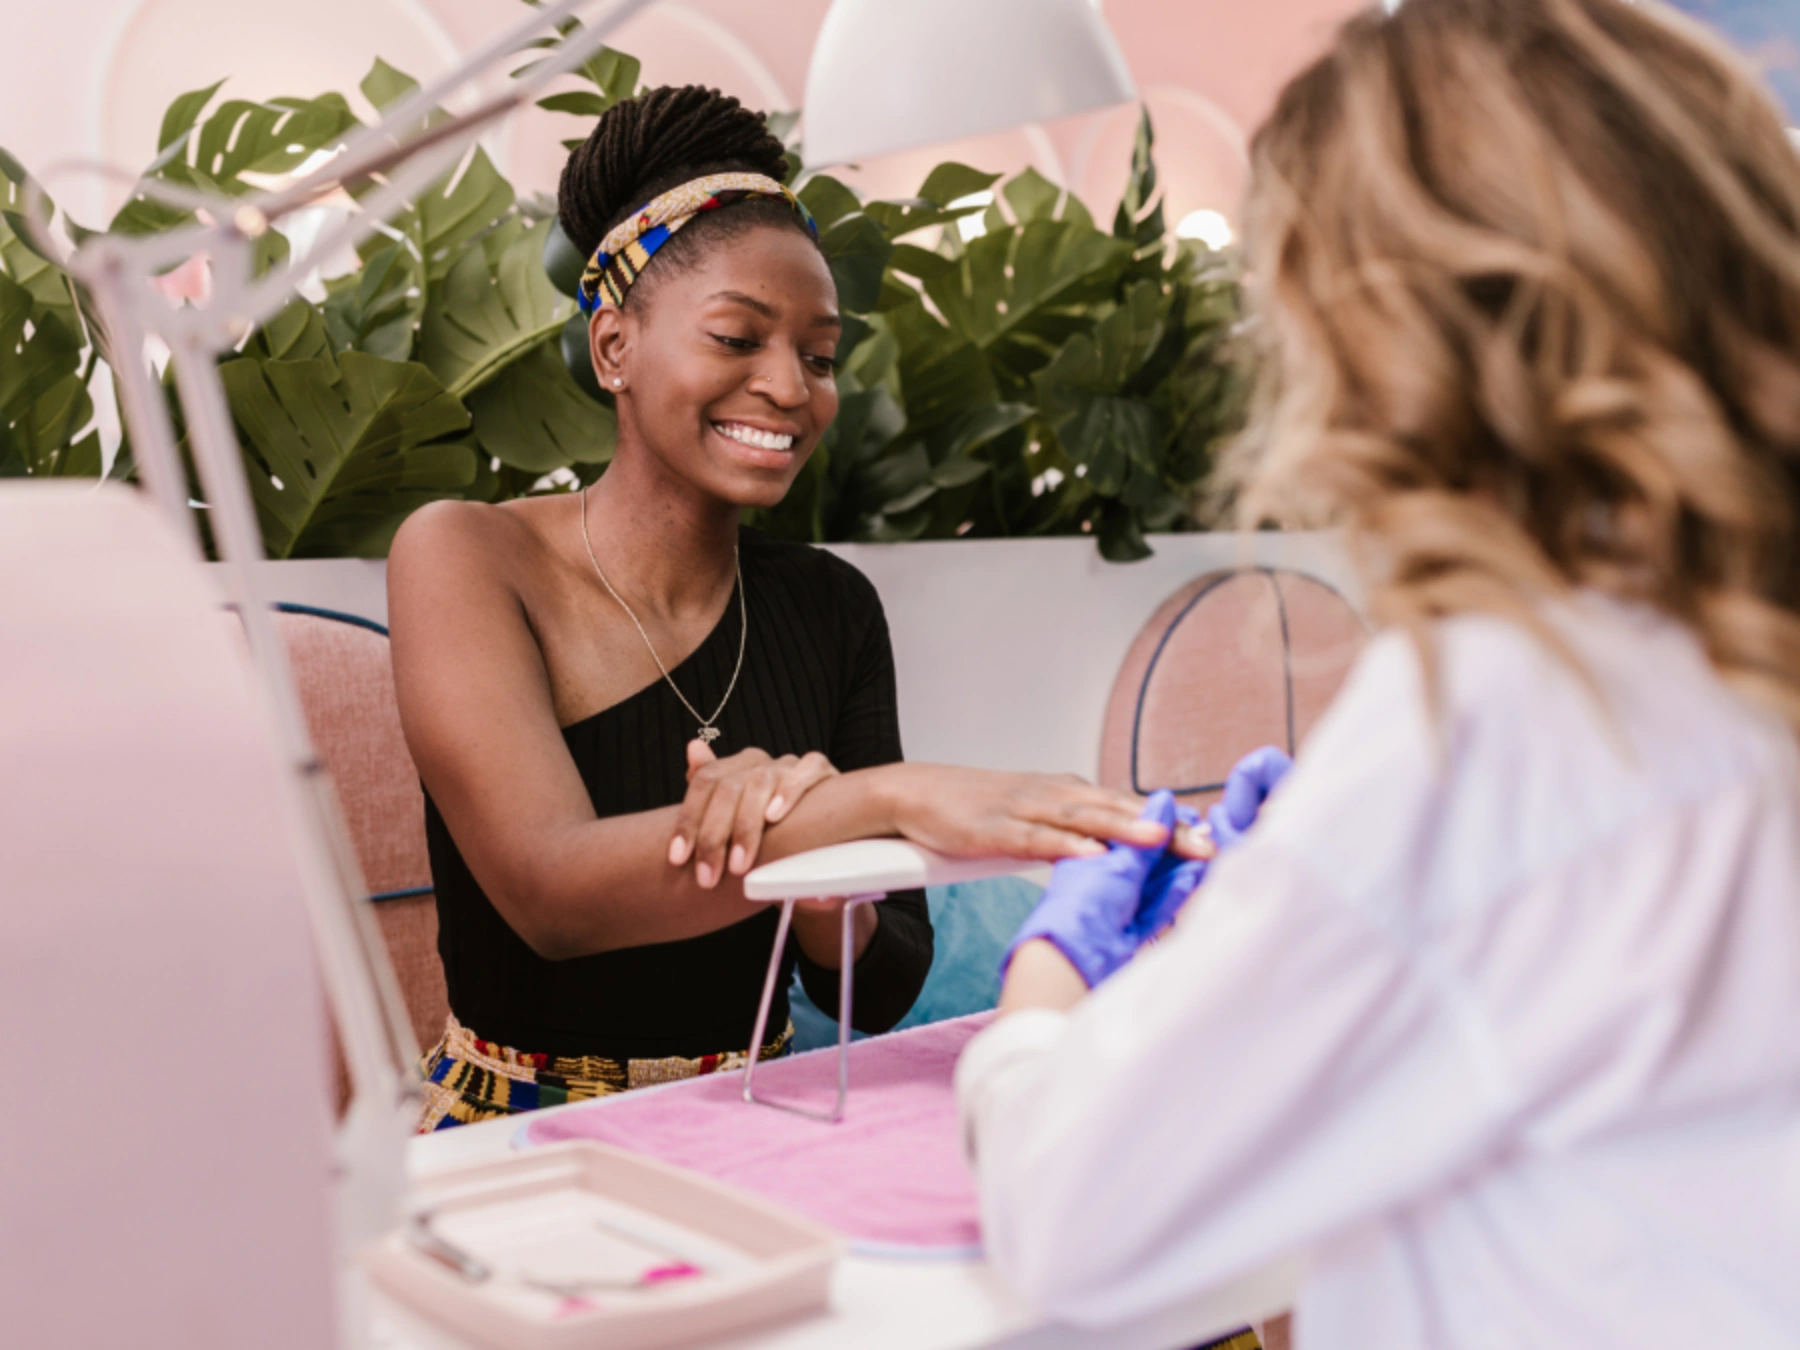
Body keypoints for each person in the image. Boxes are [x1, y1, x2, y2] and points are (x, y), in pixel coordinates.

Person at [956, 1, 1800, 1346]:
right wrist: (1321, 892)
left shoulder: (1504, 718)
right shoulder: (1737, 658)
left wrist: (1049, 982)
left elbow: (1078, 1218)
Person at [388, 86, 1169, 1131]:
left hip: (759, 1111)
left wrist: (815, 884)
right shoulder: (465, 554)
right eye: (737, 337)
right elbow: (552, 897)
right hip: (516, 1137)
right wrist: (869, 804)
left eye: (817, 355)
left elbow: (875, 987)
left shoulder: (830, 606)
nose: (791, 388)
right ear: (614, 347)